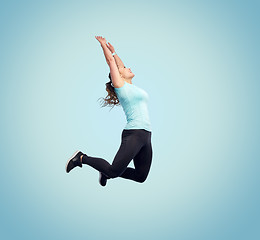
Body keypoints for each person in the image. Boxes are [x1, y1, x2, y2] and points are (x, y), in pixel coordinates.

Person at [65, 36, 153, 187]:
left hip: (146, 135)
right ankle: (81, 158)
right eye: (124, 69)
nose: (128, 67)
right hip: (134, 133)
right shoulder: (121, 87)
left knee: (140, 176)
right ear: (118, 76)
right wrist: (103, 46)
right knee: (113, 171)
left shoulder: (131, 86)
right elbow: (112, 63)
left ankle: (103, 170)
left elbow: (118, 63)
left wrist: (114, 52)